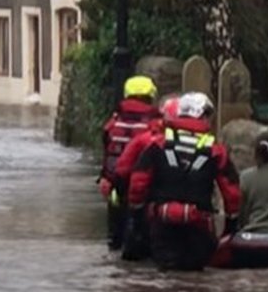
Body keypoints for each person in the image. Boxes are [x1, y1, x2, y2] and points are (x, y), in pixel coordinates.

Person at [129, 92, 241, 271]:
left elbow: (138, 182)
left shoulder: (158, 144)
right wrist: (231, 224)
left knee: (165, 274)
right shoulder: (215, 151)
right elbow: (232, 191)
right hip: (199, 226)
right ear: (202, 116)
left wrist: (136, 214)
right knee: (195, 278)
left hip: (163, 224)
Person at [99, 75, 161, 250]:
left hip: (116, 187)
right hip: (145, 189)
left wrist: (106, 179)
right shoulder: (155, 123)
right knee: (143, 239)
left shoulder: (113, 122)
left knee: (115, 239)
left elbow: (107, 152)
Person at [116, 94, 180, 261]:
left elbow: (123, 169)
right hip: (176, 210)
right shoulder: (198, 146)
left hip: (147, 206)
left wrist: (126, 199)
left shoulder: (144, 140)